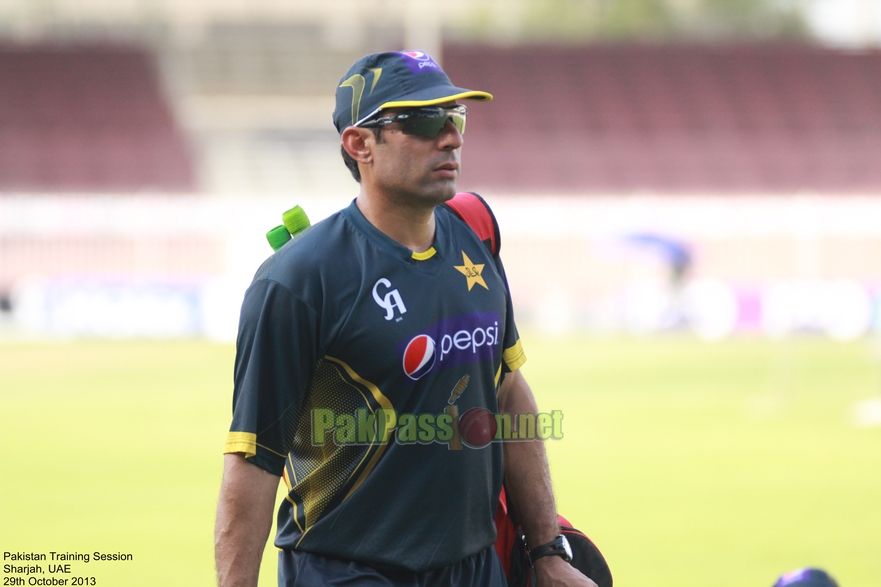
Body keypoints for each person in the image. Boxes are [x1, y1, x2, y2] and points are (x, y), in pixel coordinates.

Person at [214, 50, 597, 587]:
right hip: (345, 572)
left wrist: (545, 551)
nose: (451, 137)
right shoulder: (299, 280)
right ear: (360, 144)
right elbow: (253, 463)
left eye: (455, 117)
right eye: (422, 120)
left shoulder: (476, 234)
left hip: (475, 569)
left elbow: (508, 391)